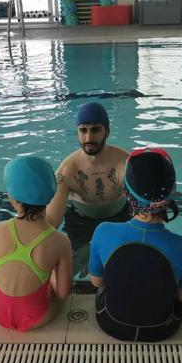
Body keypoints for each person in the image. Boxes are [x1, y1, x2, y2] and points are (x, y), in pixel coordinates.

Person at [89, 148, 182, 342]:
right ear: (172, 193)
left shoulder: (103, 231)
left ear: (125, 193)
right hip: (162, 329)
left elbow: (97, 282)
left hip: (111, 322)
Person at [0, 156, 73, 331]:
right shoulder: (60, 241)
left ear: (12, 198)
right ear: (52, 195)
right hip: (37, 319)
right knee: (58, 294)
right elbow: (63, 291)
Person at [45, 102, 130, 278]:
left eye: (96, 129)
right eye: (83, 130)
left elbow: (143, 207)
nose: (88, 138)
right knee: (75, 268)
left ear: (107, 131)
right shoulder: (67, 171)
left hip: (119, 217)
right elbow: (52, 221)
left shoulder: (125, 163)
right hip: (80, 222)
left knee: (123, 266)